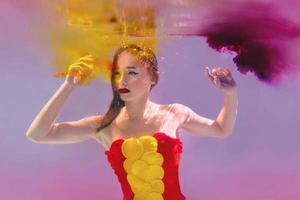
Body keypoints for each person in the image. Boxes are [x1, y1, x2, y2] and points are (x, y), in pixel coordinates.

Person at [26, 44, 238, 200]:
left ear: (153, 78)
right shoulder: (103, 124)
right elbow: (37, 134)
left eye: (132, 72)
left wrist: (230, 94)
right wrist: (68, 85)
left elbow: (220, 129)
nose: (122, 81)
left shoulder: (174, 113)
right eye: (117, 73)